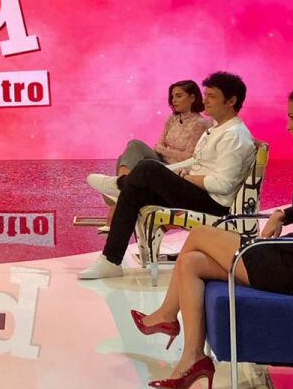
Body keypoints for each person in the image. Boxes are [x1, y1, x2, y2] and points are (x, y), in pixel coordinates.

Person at [132, 71, 293, 389]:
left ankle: (167, 316)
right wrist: (283, 214)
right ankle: (193, 358)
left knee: (199, 235)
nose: (287, 126)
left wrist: (260, 247)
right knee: (191, 262)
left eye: (292, 117)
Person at [78, 71, 255, 280]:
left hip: (213, 203)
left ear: (231, 101)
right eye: (206, 94)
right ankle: (111, 260)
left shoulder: (234, 136)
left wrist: (185, 179)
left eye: (212, 96)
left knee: (147, 167)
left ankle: (119, 184)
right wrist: (170, 172)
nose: (205, 100)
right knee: (135, 192)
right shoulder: (218, 128)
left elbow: (223, 185)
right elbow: (196, 160)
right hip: (198, 191)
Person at [96, 80, 211, 227]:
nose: (174, 100)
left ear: (192, 98)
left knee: (135, 159)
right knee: (133, 146)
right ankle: (121, 186)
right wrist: (161, 150)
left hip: (176, 168)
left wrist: (162, 150)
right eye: (172, 96)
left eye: (179, 96)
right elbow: (158, 145)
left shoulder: (200, 124)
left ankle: (119, 194)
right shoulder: (172, 119)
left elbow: (188, 156)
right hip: (161, 160)